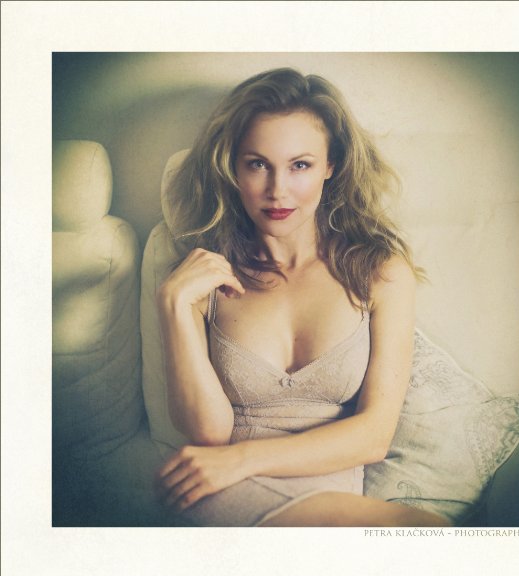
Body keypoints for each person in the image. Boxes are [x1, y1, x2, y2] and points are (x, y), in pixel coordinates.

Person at [155, 68, 450, 527]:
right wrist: (173, 303)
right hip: (220, 491)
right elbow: (209, 434)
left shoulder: (380, 273)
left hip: (313, 494)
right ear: (233, 168)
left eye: (300, 165)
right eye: (257, 164)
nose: (278, 190)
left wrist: (243, 459)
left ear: (331, 165)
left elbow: (374, 436)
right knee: (429, 532)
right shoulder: (203, 281)